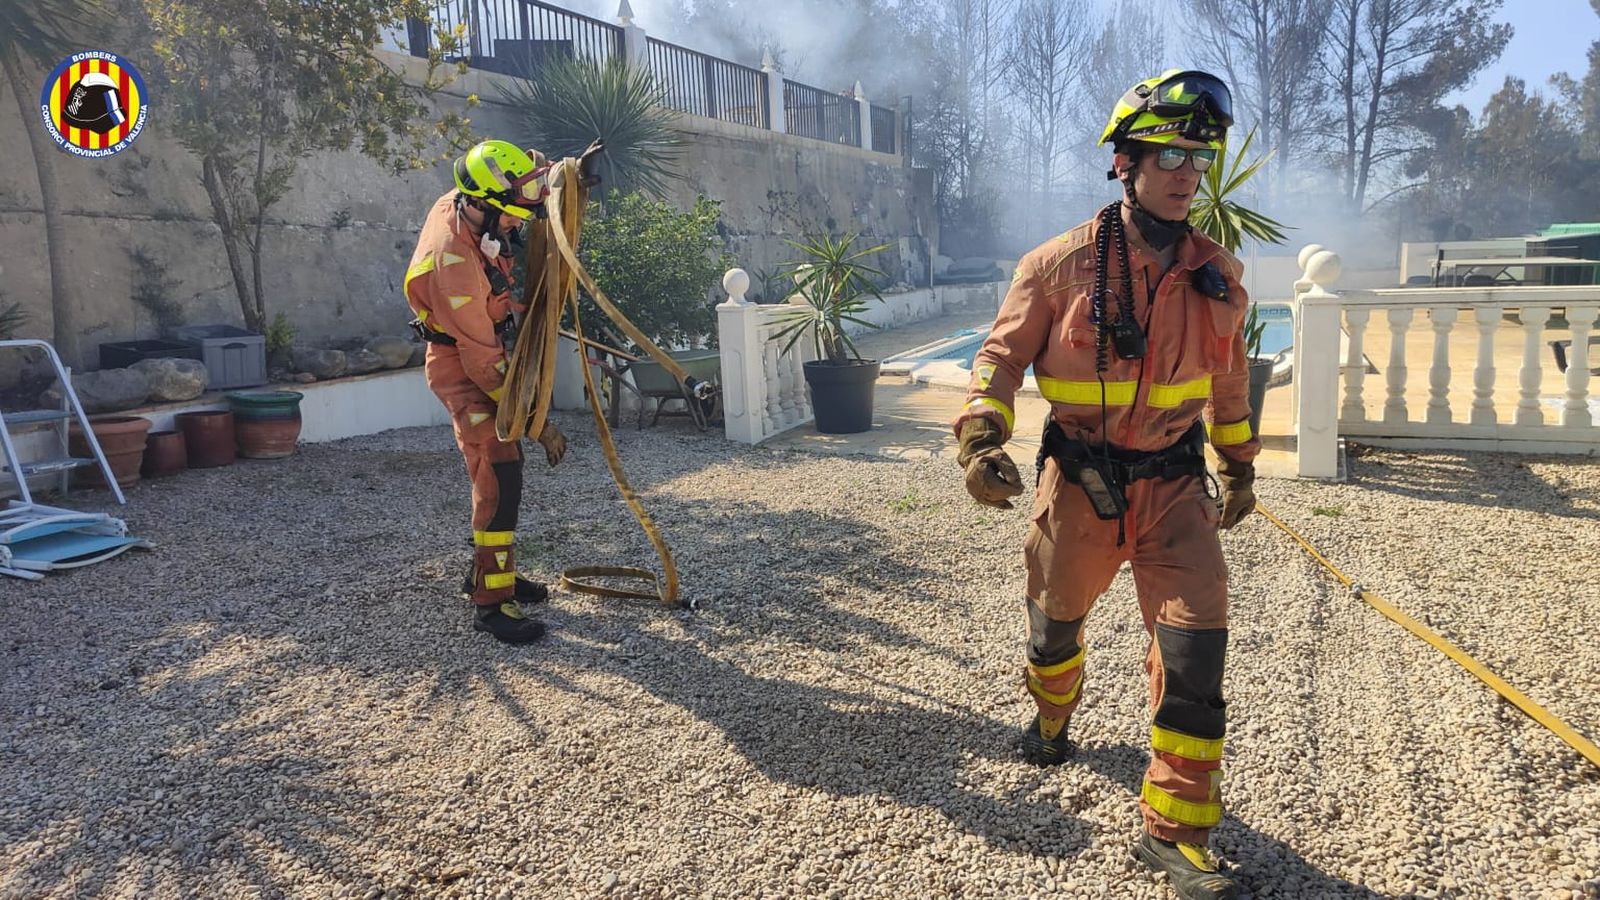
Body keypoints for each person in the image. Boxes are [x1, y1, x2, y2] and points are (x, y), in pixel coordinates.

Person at [951, 70, 1259, 900]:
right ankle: (1053, 717)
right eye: (1169, 155)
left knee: (1195, 658)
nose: (1187, 174)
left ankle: (1174, 835)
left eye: (1198, 157)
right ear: (1125, 162)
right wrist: (980, 439)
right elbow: (999, 358)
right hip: (1080, 485)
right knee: (1053, 635)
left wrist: (1238, 467)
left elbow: (1229, 387)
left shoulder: (1219, 275)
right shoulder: (1056, 267)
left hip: (1175, 490)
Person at [403, 138, 569, 645]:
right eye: (513, 216)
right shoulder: (453, 262)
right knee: (499, 472)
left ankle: (490, 571)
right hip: (463, 367)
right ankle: (491, 603)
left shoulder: (465, 201)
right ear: (485, 206)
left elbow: (522, 182)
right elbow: (483, 365)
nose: (518, 225)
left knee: (500, 467)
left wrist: (566, 173)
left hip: (475, 348)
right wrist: (538, 424)